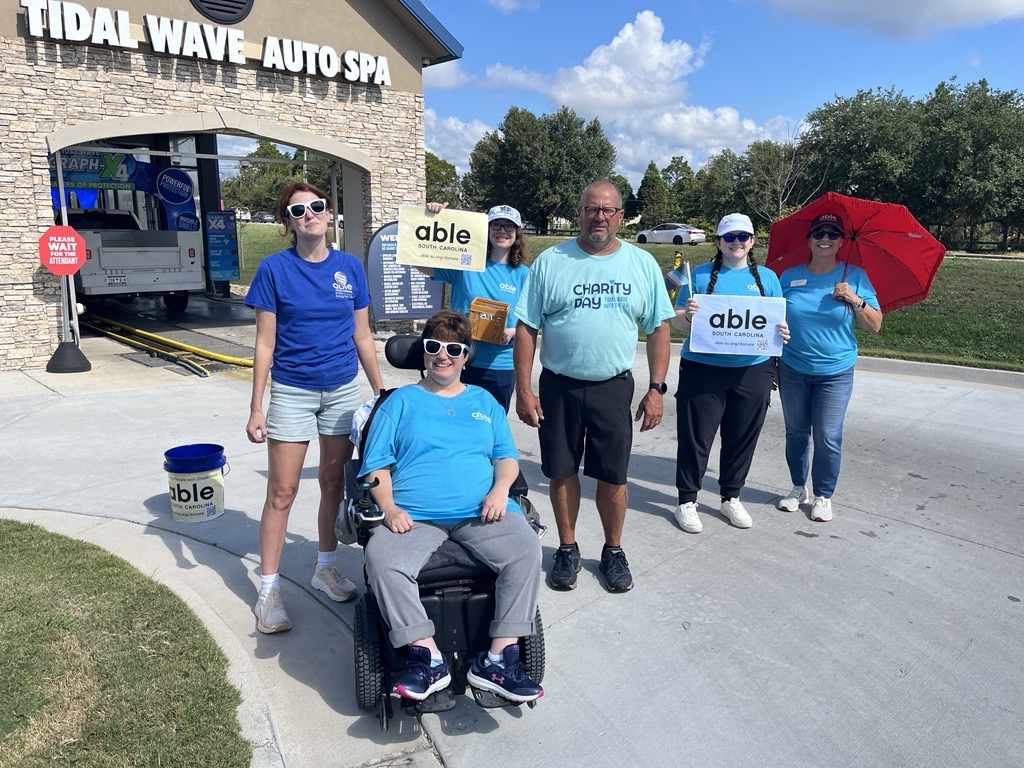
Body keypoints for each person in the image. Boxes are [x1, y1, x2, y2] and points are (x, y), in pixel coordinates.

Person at [360, 310, 543, 704]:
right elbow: (374, 466)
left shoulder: (485, 401)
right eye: (434, 347)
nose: (443, 356)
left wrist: (501, 490)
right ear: (422, 351)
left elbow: (506, 458)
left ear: (465, 355)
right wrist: (389, 508)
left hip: (482, 512)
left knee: (527, 549)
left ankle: (499, 658)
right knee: (381, 558)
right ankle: (427, 656)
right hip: (416, 515)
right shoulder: (398, 403)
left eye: (453, 349)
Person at [514, 180, 674, 593]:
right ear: (580, 212)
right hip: (559, 386)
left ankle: (613, 549)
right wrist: (525, 389)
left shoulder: (641, 264)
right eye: (590, 209)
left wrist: (657, 387)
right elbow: (527, 327)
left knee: (613, 476)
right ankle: (567, 547)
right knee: (561, 470)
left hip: (613, 386)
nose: (598, 217)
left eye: (608, 210)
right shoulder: (551, 261)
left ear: (621, 216)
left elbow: (659, 327)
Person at [245, 181, 384, 634]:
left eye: (317, 206)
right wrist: (256, 407)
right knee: (282, 492)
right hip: (292, 392)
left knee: (331, 483)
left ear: (329, 214)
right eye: (298, 210)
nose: (310, 214)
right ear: (287, 221)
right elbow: (264, 343)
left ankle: (325, 566)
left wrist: (380, 393)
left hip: (343, 391)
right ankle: (268, 590)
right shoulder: (273, 269)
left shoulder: (350, 267)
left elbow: (362, 334)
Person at [671, 213, 789, 534]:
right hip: (703, 369)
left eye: (743, 237)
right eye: (730, 237)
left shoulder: (767, 278)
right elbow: (677, 320)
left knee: (741, 436)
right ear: (719, 242)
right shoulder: (699, 275)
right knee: (697, 437)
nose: (737, 243)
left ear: (752, 241)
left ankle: (731, 496)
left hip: (753, 370)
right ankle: (687, 500)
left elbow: (774, 322)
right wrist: (689, 316)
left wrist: (782, 332)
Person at [776, 212, 882, 522]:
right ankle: (798, 488)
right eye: (819, 232)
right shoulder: (788, 277)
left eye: (833, 233)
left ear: (841, 242)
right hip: (792, 367)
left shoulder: (856, 277)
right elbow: (771, 319)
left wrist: (855, 299)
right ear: (808, 239)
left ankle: (823, 494)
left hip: (835, 372)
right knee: (796, 433)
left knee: (827, 435)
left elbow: (875, 325)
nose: (825, 237)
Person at [416, 202, 529, 412]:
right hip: (458, 359)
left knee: (490, 426)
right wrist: (429, 218)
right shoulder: (464, 264)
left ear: (517, 232)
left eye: (508, 226)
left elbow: (533, 319)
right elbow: (417, 261)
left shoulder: (524, 275)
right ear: (486, 230)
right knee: (451, 420)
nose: (502, 231)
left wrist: (513, 332)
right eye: (495, 225)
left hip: (499, 365)